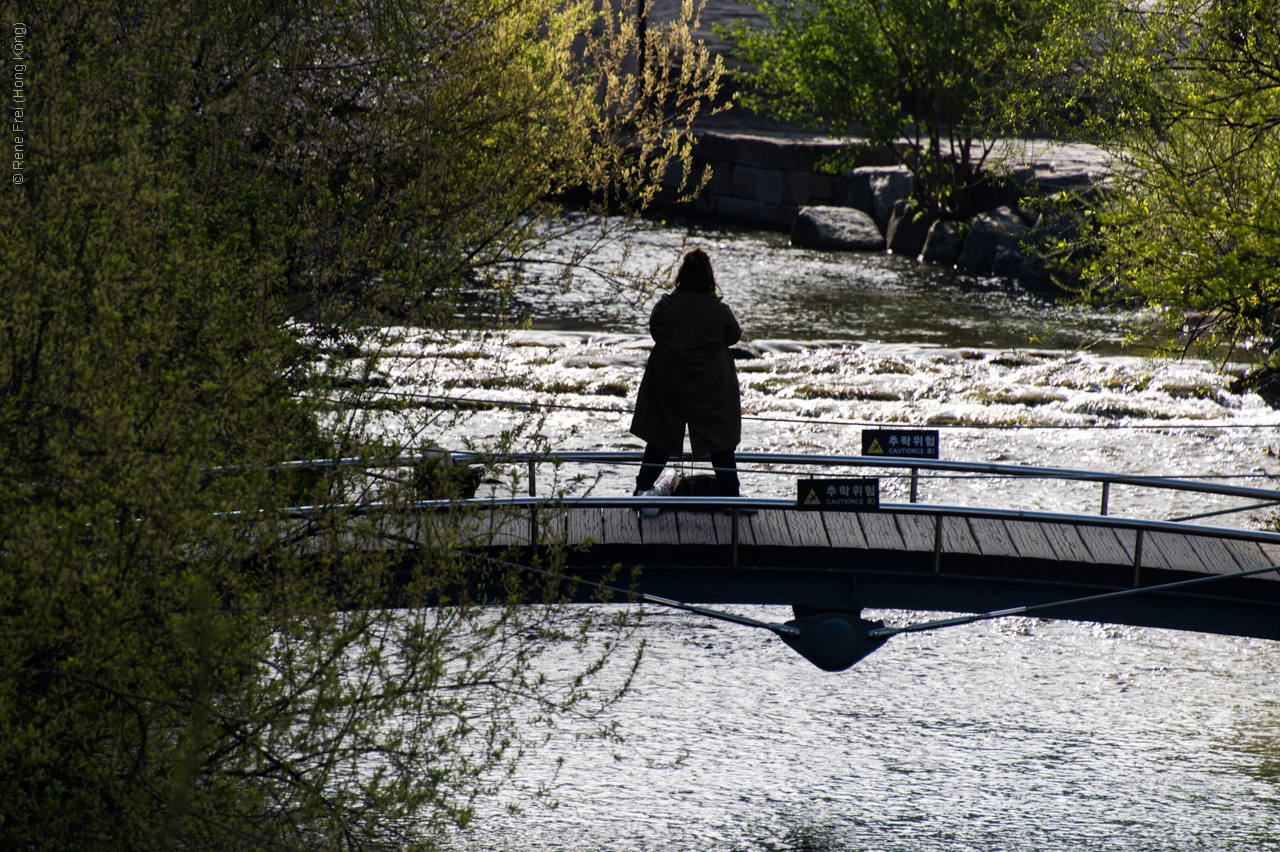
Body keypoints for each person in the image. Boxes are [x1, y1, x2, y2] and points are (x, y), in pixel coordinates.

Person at [629, 248, 742, 497]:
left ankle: (641, 489)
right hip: (710, 390)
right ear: (709, 278)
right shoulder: (719, 311)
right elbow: (734, 335)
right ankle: (732, 496)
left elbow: (655, 330)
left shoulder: (666, 307)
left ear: (682, 275)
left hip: (671, 386)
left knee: (659, 439)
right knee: (721, 443)